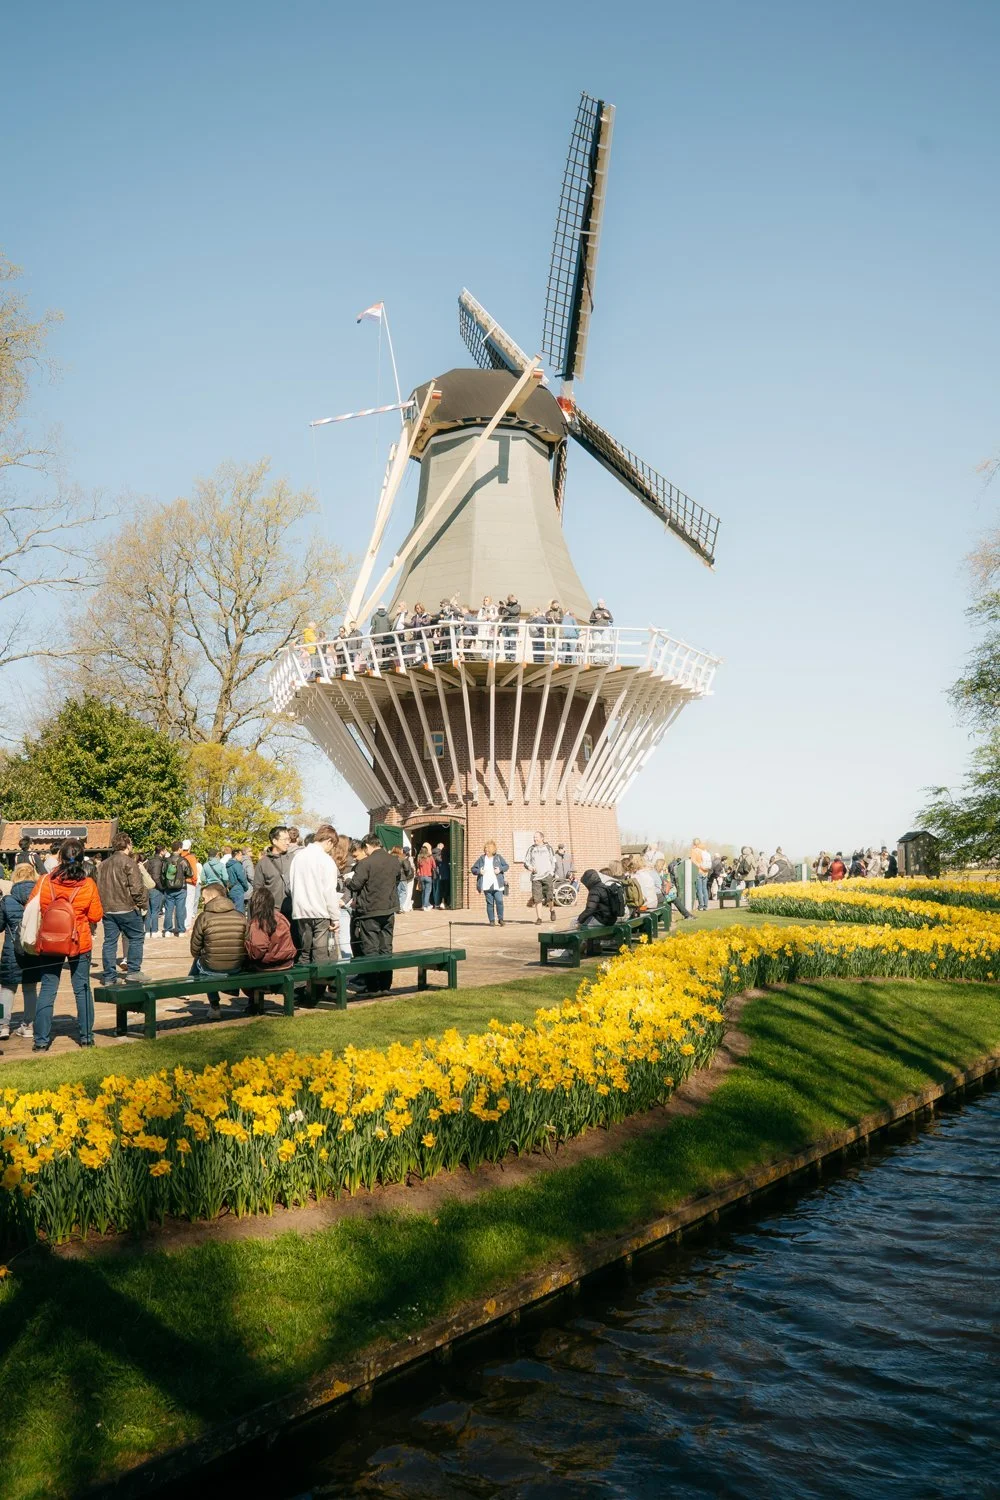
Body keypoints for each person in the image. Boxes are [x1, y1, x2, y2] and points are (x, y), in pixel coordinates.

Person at [31, 838, 104, 1051]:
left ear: (60, 858)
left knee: (48, 988)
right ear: (82, 859)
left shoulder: (45, 881)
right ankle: (86, 1037)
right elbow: (96, 915)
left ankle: (41, 1041)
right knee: (82, 988)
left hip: (50, 939)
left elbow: (32, 906)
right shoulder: (88, 885)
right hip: (79, 941)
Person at [344, 834, 399, 995]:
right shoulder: (394, 860)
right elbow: (397, 879)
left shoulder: (366, 863)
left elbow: (355, 885)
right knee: (386, 948)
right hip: (388, 910)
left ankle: (373, 986)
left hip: (370, 911)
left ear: (367, 846)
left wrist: (347, 880)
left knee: (371, 949)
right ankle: (385, 985)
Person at [96, 832, 151, 986]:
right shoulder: (129, 862)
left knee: (109, 942)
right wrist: (142, 904)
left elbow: (99, 886)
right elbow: (137, 888)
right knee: (136, 937)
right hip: (127, 907)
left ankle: (109, 976)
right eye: (130, 843)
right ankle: (133, 972)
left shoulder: (103, 865)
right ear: (127, 844)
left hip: (108, 909)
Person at [188, 882, 248, 1018]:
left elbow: (194, 949)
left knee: (200, 960)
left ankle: (214, 1005)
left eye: (204, 899)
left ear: (212, 897)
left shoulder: (204, 917)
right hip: (236, 967)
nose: (203, 902)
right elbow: (247, 943)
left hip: (211, 968)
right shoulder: (240, 916)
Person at [0, 861, 44, 1041]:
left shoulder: (7, 900)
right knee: (30, 988)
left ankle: (2, 1025)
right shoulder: (39, 899)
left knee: (6, 989)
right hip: (32, 948)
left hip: (12, 950)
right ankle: (28, 1025)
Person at [289, 822, 341, 966]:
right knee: (320, 953)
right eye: (332, 845)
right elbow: (329, 891)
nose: (331, 849)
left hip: (301, 911)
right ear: (329, 841)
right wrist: (335, 917)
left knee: (305, 953)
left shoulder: (298, 857)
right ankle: (320, 980)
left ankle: (302, 980)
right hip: (321, 912)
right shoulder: (326, 860)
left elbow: (292, 884)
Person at [244, 886, 297, 1008]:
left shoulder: (258, 922)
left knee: (243, 967)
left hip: (267, 966)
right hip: (287, 963)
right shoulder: (281, 918)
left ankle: (254, 1001)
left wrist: (246, 945)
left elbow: (257, 952)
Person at [253, 826, 294, 921]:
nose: (288, 842)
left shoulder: (294, 859)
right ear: (274, 841)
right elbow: (258, 890)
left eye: (289, 839)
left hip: (293, 912)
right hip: (272, 913)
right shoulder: (263, 863)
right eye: (285, 839)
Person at [471, 840, 509, 926]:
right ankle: (491, 920)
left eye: (488, 849)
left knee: (499, 901)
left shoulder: (498, 857)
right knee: (490, 903)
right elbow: (473, 869)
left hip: (497, 884)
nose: (486, 851)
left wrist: (500, 869)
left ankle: (501, 919)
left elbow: (506, 866)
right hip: (486, 884)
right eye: (485, 849)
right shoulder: (482, 858)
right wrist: (479, 871)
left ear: (493, 850)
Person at [524, 832, 558, 924]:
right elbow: (526, 862)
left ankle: (552, 910)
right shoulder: (531, 849)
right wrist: (530, 867)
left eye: (536, 837)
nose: (535, 839)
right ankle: (539, 918)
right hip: (536, 878)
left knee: (549, 897)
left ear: (542, 838)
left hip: (547, 876)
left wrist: (551, 873)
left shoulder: (548, 848)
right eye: (534, 837)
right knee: (537, 898)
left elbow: (554, 861)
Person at [161, 841, 191, 937]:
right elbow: (190, 873)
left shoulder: (166, 860)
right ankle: (181, 930)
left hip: (168, 888)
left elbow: (162, 873)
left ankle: (167, 930)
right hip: (181, 888)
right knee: (180, 909)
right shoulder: (183, 860)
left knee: (168, 910)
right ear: (179, 849)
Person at [144, 845, 168, 937]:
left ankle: (147, 931)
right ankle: (154, 930)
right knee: (155, 910)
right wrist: (161, 887)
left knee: (149, 911)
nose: (166, 852)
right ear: (161, 851)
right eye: (165, 850)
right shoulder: (158, 862)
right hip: (155, 888)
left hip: (148, 887)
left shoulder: (149, 860)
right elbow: (156, 877)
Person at [182, 840, 201, 931]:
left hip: (179, 883)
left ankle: (179, 924)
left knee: (179, 904)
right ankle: (187, 925)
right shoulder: (191, 857)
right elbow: (194, 871)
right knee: (189, 904)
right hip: (189, 883)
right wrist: (194, 881)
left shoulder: (179, 856)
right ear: (189, 847)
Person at [225, 846, 250, 912]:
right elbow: (242, 878)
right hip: (238, 890)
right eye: (241, 855)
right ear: (236, 855)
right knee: (239, 911)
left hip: (231, 889)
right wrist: (246, 887)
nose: (242, 857)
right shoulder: (237, 865)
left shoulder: (228, 865)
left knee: (232, 910)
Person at [689, 839, 712, 911]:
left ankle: (701, 905)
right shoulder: (703, 851)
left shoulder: (694, 851)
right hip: (705, 872)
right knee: (704, 889)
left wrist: (700, 867)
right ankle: (706, 906)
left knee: (699, 889)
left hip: (699, 871)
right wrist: (705, 869)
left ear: (693, 843)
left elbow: (693, 861)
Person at [392, 844, 415, 913]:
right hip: (402, 877)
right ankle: (399, 907)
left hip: (393, 877)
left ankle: (396, 907)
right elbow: (407, 868)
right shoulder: (402, 858)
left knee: (397, 892)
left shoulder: (390, 857)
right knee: (404, 892)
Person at [415, 842, 435, 910]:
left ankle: (423, 905)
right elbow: (434, 866)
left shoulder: (419, 857)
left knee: (423, 891)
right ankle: (426, 905)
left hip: (421, 876)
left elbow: (418, 866)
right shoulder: (430, 857)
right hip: (428, 876)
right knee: (428, 891)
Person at [432, 842, 450, 909]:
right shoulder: (441, 855)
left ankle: (435, 903)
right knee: (441, 889)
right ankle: (441, 903)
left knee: (434, 889)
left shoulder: (431, 853)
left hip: (433, 874)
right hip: (440, 874)